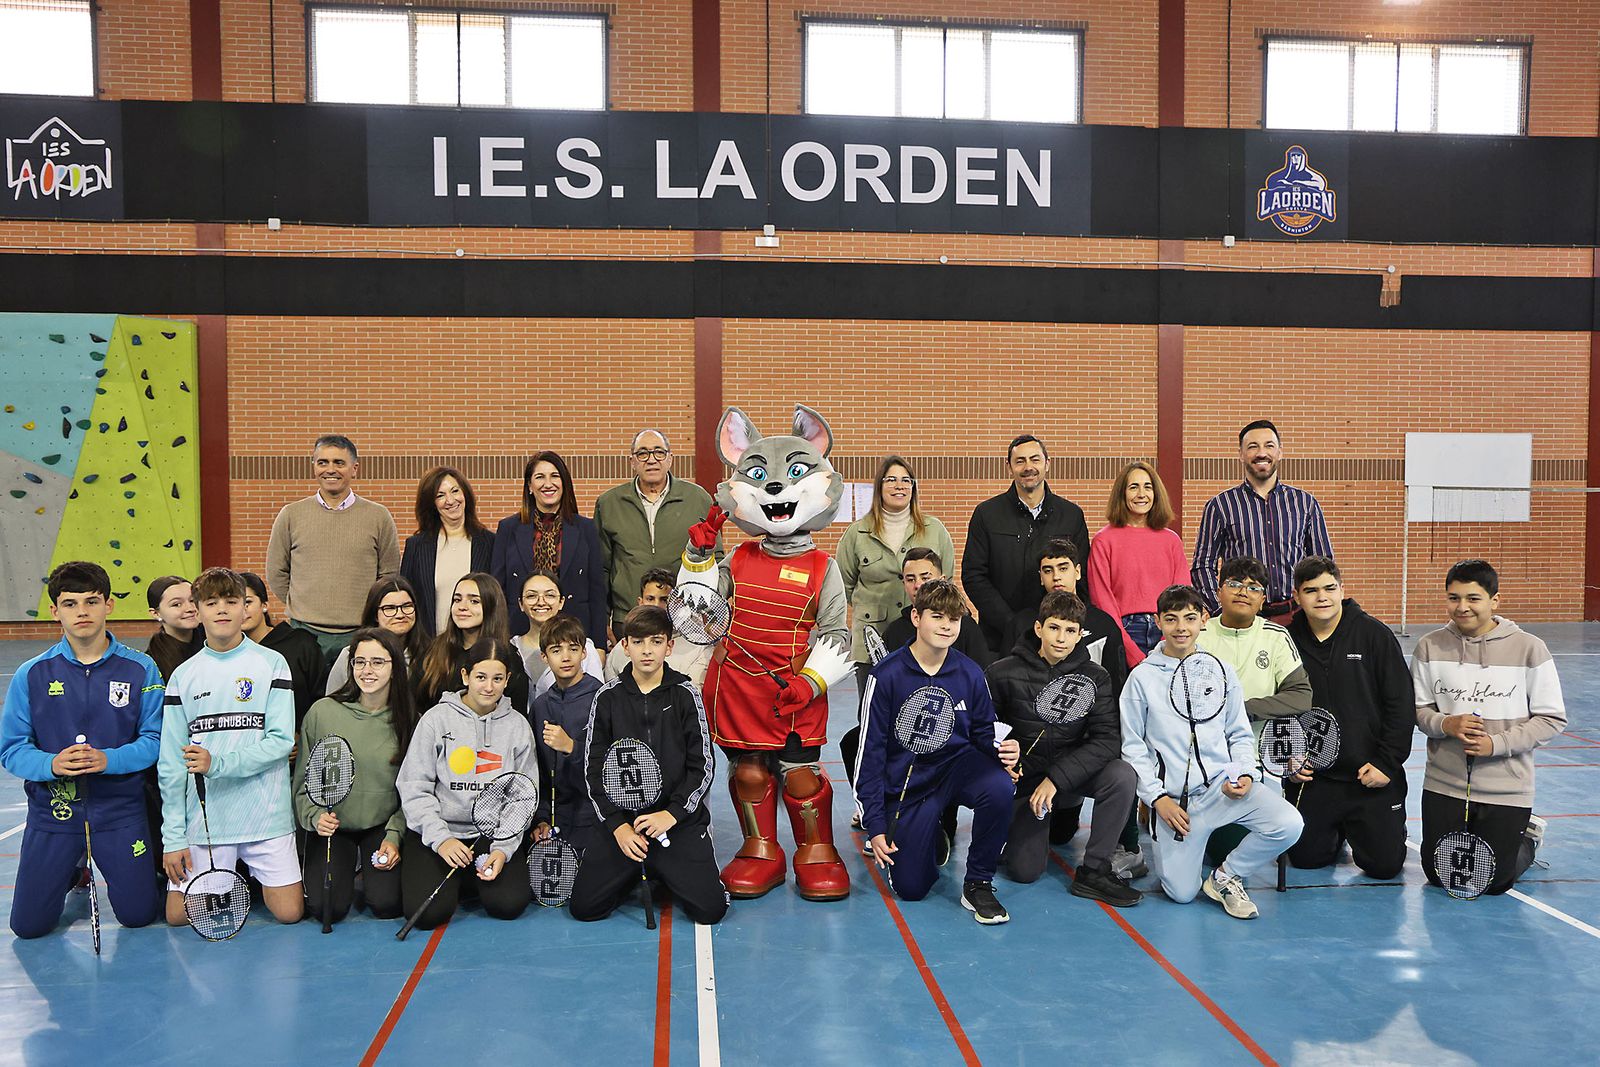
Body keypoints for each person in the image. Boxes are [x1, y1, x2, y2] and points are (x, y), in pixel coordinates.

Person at [678, 405, 856, 902]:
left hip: (795, 692)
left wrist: (811, 682)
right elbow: (696, 616)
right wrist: (698, 559)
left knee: (800, 777)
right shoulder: (736, 557)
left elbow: (836, 634)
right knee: (751, 773)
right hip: (738, 687)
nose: (776, 491)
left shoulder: (824, 565)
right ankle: (761, 849)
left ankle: (817, 851)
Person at [1, 562, 163, 938]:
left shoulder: (142, 668)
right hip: (53, 814)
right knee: (28, 927)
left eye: (92, 601)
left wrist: (110, 759)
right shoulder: (32, 673)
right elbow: (12, 749)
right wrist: (50, 764)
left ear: (109, 605)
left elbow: (154, 742)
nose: (82, 612)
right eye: (70, 604)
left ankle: (123, 869)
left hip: (120, 812)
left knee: (138, 916)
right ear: (55, 611)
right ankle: (72, 865)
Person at [1120, 585, 1303, 920]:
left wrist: (1246, 773)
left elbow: (1238, 732)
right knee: (1182, 894)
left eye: (1190, 618)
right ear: (1158, 622)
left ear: (1203, 620)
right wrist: (1157, 798)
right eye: (1171, 619)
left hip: (1223, 792)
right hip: (1176, 806)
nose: (1181, 628)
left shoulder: (1221, 670)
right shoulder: (1141, 679)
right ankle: (1183, 857)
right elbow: (1132, 748)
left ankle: (1225, 876)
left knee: (1289, 823)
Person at [858, 579, 1019, 923]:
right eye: (937, 616)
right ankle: (929, 836)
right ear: (916, 618)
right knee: (911, 889)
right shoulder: (886, 676)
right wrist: (874, 824)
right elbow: (870, 754)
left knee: (999, 787)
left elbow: (983, 733)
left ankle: (978, 882)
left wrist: (1005, 754)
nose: (947, 626)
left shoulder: (970, 673)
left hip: (957, 767)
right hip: (909, 784)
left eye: (954, 619)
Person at [159, 568, 303, 927]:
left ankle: (242, 880)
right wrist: (173, 837)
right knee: (178, 918)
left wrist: (218, 763)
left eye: (231, 601)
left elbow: (281, 741)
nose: (221, 610)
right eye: (211, 602)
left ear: (246, 609)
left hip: (264, 814)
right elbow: (170, 763)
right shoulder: (183, 676)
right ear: (198, 611)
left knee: (289, 914)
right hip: (208, 820)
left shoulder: (271, 664)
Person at [1413, 559, 1566, 895]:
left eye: (1473, 598)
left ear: (1494, 601)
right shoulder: (1429, 646)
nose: (1462, 607)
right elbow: (1419, 710)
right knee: (1438, 874)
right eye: (1454, 598)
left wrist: (1496, 745)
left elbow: (1551, 718)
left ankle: (1525, 839)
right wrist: (1445, 723)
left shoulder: (1529, 649)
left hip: (1507, 786)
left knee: (1495, 881)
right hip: (1445, 782)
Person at [569, 605, 728, 925]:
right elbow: (593, 770)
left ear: (669, 646)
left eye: (656, 641)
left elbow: (703, 767)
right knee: (584, 908)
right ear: (624, 646)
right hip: (625, 824)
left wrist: (672, 814)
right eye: (638, 642)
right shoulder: (607, 698)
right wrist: (618, 826)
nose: (646, 650)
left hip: (675, 822)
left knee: (711, 910)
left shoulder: (686, 695)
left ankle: (670, 869)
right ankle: (638, 871)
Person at [987, 591, 1141, 907]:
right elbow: (986, 731)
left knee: (1122, 774)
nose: (1061, 638)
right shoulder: (1002, 672)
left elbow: (1107, 740)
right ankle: (1012, 835)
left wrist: (1057, 779)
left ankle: (1095, 871)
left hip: (1068, 778)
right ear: (1038, 627)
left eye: (1071, 631)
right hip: (1026, 780)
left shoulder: (1096, 677)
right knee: (1025, 871)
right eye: (1055, 628)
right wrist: (1002, 761)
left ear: (1080, 634)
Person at [1281, 557, 1412, 880]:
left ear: (1342, 589)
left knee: (1384, 866)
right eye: (1311, 590)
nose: (1322, 597)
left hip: (1368, 775)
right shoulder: (1286, 640)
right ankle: (1333, 831)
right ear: (1297, 596)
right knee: (1306, 859)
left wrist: (1387, 763)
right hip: (1315, 779)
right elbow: (1279, 707)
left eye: (1329, 588)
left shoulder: (1374, 635)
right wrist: (1288, 758)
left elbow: (1401, 705)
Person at [396, 638, 536, 929]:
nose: (489, 687)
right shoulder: (435, 720)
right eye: (481, 677)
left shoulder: (518, 726)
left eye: (497, 679)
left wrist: (502, 849)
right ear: (465, 676)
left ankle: (469, 880)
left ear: (508, 680)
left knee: (508, 905)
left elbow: (522, 796)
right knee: (428, 916)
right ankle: (455, 878)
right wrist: (441, 839)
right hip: (441, 833)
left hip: (491, 834)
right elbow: (414, 785)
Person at [1195, 555, 1312, 867]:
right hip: (1207, 764)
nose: (1242, 592)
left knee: (1281, 831)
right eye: (1233, 584)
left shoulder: (1275, 636)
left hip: (1259, 760)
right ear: (1218, 592)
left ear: (1263, 600)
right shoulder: (1199, 636)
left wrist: (1241, 711)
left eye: (1253, 587)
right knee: (1220, 850)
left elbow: (1301, 696)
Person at [293, 627, 413, 924]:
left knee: (387, 904)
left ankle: (368, 876)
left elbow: (414, 791)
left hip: (380, 825)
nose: (367, 670)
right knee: (326, 909)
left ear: (395, 668)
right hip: (334, 825)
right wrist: (314, 816)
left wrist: (395, 836)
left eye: (377, 662)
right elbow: (302, 784)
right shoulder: (323, 712)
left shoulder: (410, 720)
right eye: (359, 662)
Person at [266, 434, 401, 665]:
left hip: (361, 633)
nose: (331, 470)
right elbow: (277, 572)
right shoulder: (291, 514)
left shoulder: (378, 516)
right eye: (323, 462)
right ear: (314, 467)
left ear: (354, 468)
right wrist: (303, 603)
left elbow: (389, 575)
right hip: (304, 633)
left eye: (339, 463)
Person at [1190, 420, 1332, 623]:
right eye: (1253, 447)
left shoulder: (1306, 504)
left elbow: (1323, 563)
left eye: (1269, 446)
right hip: (1242, 619)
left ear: (1280, 452)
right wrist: (1220, 610)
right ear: (1241, 454)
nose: (1261, 453)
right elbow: (1202, 566)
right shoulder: (1220, 506)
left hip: (1296, 618)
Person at [838, 456, 957, 692]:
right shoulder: (857, 533)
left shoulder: (935, 530)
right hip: (872, 641)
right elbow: (844, 586)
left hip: (923, 639)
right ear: (879, 487)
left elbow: (947, 581)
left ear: (913, 487)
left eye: (906, 480)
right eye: (891, 479)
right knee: (873, 711)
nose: (899, 486)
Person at [963, 434, 1089, 655]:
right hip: (999, 639)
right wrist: (1011, 623)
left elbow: (1082, 575)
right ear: (1009, 467)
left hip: (1058, 640)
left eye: (1035, 459)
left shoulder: (1071, 515)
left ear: (1047, 464)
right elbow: (974, 576)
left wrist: (1063, 623)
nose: (1028, 467)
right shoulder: (987, 515)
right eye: (1020, 461)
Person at [594, 429, 718, 640]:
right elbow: (601, 568)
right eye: (643, 453)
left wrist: (711, 616)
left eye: (659, 452)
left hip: (685, 620)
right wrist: (601, 620)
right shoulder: (609, 504)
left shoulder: (698, 499)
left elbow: (716, 559)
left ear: (670, 459)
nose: (651, 459)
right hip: (628, 620)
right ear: (632, 461)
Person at [491, 451, 607, 644]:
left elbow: (597, 592)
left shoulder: (586, 529)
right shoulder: (508, 528)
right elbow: (497, 591)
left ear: (565, 483)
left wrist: (600, 645)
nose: (548, 484)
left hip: (574, 637)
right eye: (539, 477)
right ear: (529, 486)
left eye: (555, 476)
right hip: (519, 634)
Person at [1088, 460, 1190, 663]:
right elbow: (1102, 601)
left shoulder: (1171, 540)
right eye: (1133, 487)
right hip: (1124, 631)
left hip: (1167, 629)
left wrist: (1167, 642)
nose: (1141, 494)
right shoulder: (1104, 540)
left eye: (1148, 487)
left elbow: (1182, 594)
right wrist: (1130, 652)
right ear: (1122, 493)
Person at [1001, 539, 1131, 694]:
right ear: (1041, 577)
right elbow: (1005, 678)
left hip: (1089, 712)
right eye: (1048, 571)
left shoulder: (1103, 624)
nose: (1056, 577)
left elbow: (1115, 684)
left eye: (1063, 569)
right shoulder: (1021, 623)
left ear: (1077, 572)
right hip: (1029, 711)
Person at [530, 615, 605, 854]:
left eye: (573, 649)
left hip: (596, 818)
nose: (565, 657)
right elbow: (538, 770)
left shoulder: (603, 699)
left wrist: (573, 747)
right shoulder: (541, 705)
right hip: (556, 819)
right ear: (544, 656)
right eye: (556, 650)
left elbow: (611, 765)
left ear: (584, 653)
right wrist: (541, 818)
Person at [413, 573, 530, 716]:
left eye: (474, 601)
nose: (462, 607)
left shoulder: (508, 657)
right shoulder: (435, 650)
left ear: (492, 606)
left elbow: (516, 717)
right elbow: (416, 704)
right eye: (457, 599)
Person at [399, 466, 495, 636]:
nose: (450, 500)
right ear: (432, 504)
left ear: (465, 493)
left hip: (479, 645)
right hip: (431, 648)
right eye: (440, 496)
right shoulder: (416, 546)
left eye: (455, 491)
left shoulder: (490, 543)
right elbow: (407, 601)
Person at [239, 571, 328, 730]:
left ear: (264, 605)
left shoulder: (300, 643)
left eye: (247, 602)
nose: (241, 610)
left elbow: (321, 696)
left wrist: (303, 732)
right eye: (233, 603)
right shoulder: (230, 653)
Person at [602, 568, 711, 687]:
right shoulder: (619, 651)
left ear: (678, 603)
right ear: (640, 602)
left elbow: (693, 697)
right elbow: (611, 696)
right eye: (650, 599)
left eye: (664, 599)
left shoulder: (698, 648)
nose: (656, 606)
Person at [324, 577, 431, 695]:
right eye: (390, 608)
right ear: (375, 615)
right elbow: (333, 702)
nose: (400, 614)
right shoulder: (351, 655)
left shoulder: (431, 655)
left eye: (407, 606)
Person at [511, 570, 605, 697]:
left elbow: (598, 698)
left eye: (549, 595)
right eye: (531, 596)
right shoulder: (510, 648)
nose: (541, 602)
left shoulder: (583, 646)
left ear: (561, 601)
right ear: (521, 604)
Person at [145, 575, 202, 681]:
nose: (190, 608)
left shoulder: (213, 640)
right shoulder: (152, 663)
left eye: (192, 600)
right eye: (177, 604)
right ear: (156, 613)